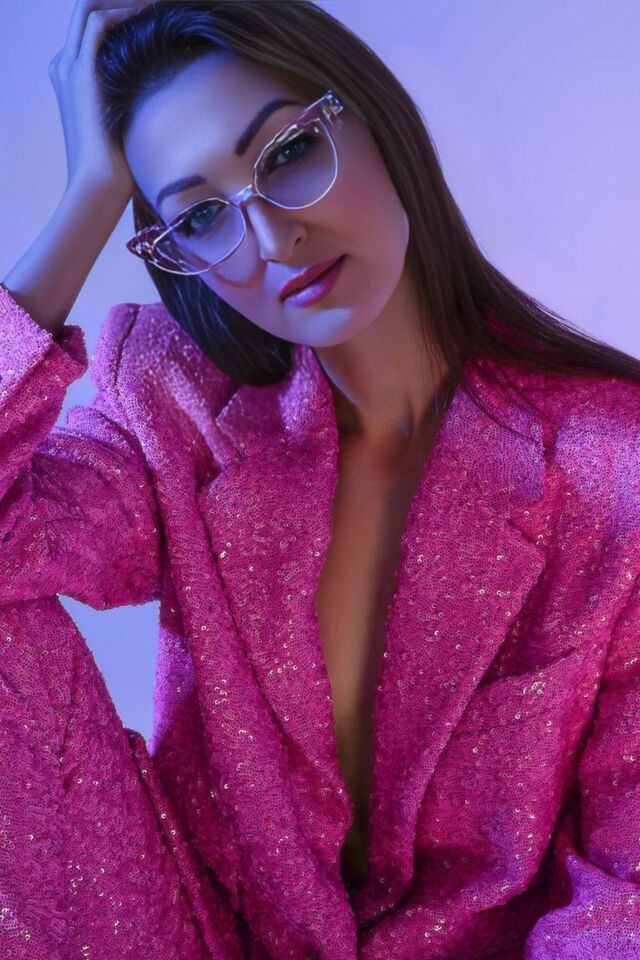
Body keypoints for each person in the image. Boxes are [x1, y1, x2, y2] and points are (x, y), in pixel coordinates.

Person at [2, 2, 640, 957]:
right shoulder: (172, 400)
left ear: (374, 117)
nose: (270, 238)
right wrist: (89, 197)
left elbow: (626, 894)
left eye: (290, 152)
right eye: (202, 216)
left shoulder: (616, 467)